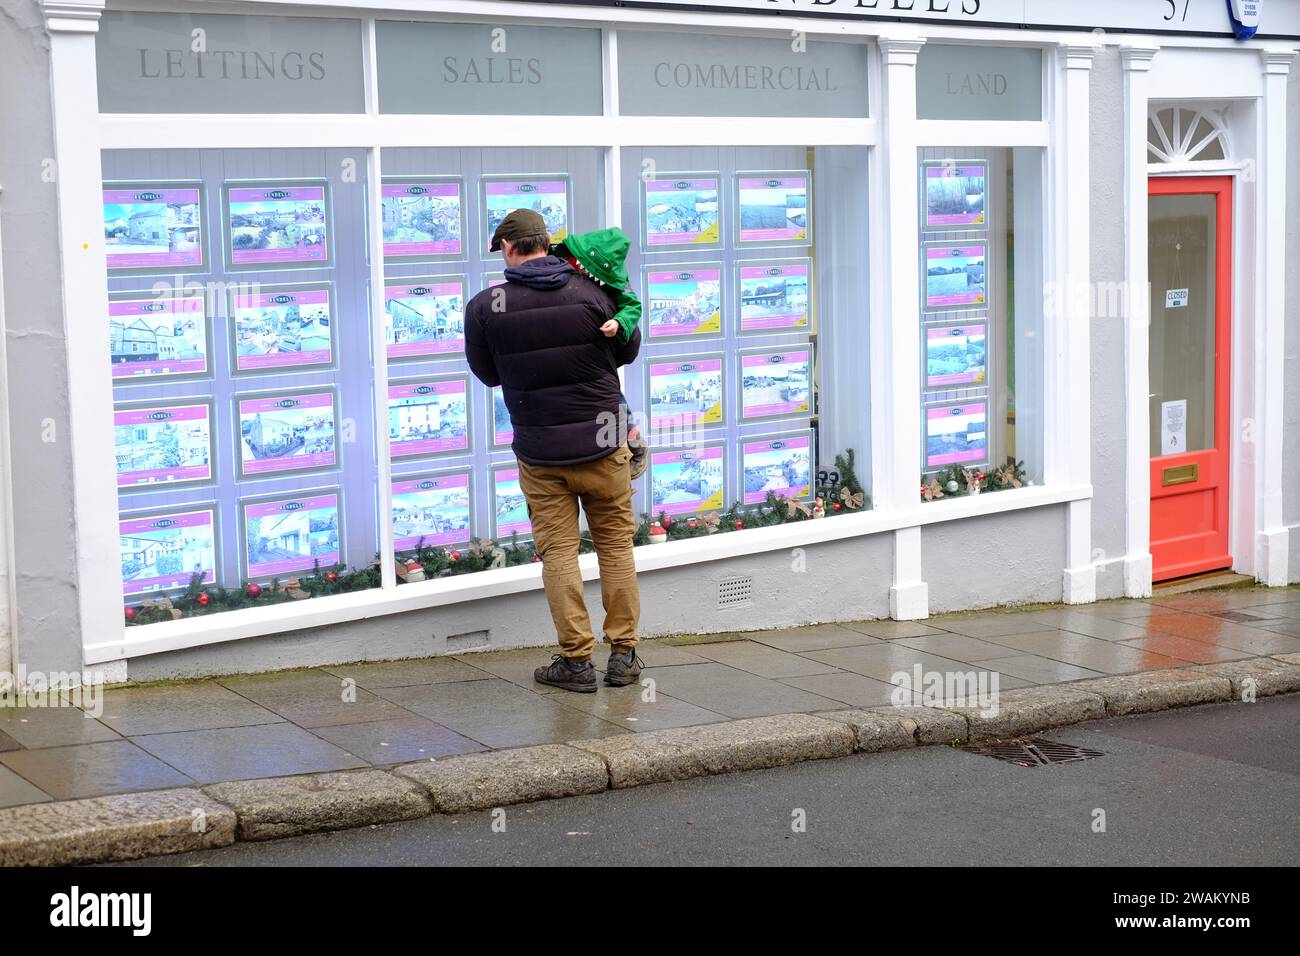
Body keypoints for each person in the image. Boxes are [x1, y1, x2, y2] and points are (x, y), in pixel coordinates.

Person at [464, 209, 643, 694]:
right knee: (614, 546)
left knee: (559, 553)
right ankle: (623, 656)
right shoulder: (594, 293)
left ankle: (576, 661)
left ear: (507, 247)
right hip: (605, 443)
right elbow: (627, 350)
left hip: (542, 451)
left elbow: (488, 374)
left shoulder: (487, 305)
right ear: (548, 242)